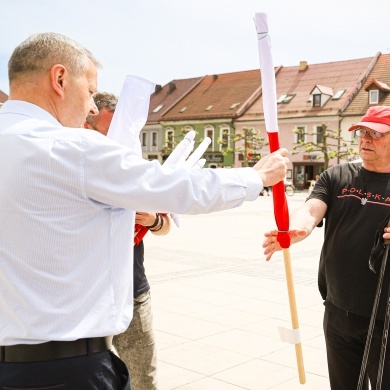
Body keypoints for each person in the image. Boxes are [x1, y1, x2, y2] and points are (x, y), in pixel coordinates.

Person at [0, 32, 288, 389]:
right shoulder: (71, 148)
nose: (91, 108)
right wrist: (256, 176)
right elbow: (174, 187)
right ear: (59, 79)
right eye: (90, 91)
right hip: (66, 370)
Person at [263, 105, 390, 389]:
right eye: (362, 132)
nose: (366, 139)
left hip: (386, 317)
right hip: (338, 310)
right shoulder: (337, 176)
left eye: (377, 134)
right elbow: (310, 210)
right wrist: (293, 230)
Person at [84, 92, 168, 390]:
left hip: (133, 291)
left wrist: (152, 220)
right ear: (86, 125)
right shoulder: (77, 166)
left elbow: (166, 224)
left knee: (143, 376)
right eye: (108, 132)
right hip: (86, 295)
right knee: (92, 377)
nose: (114, 141)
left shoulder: (132, 166)